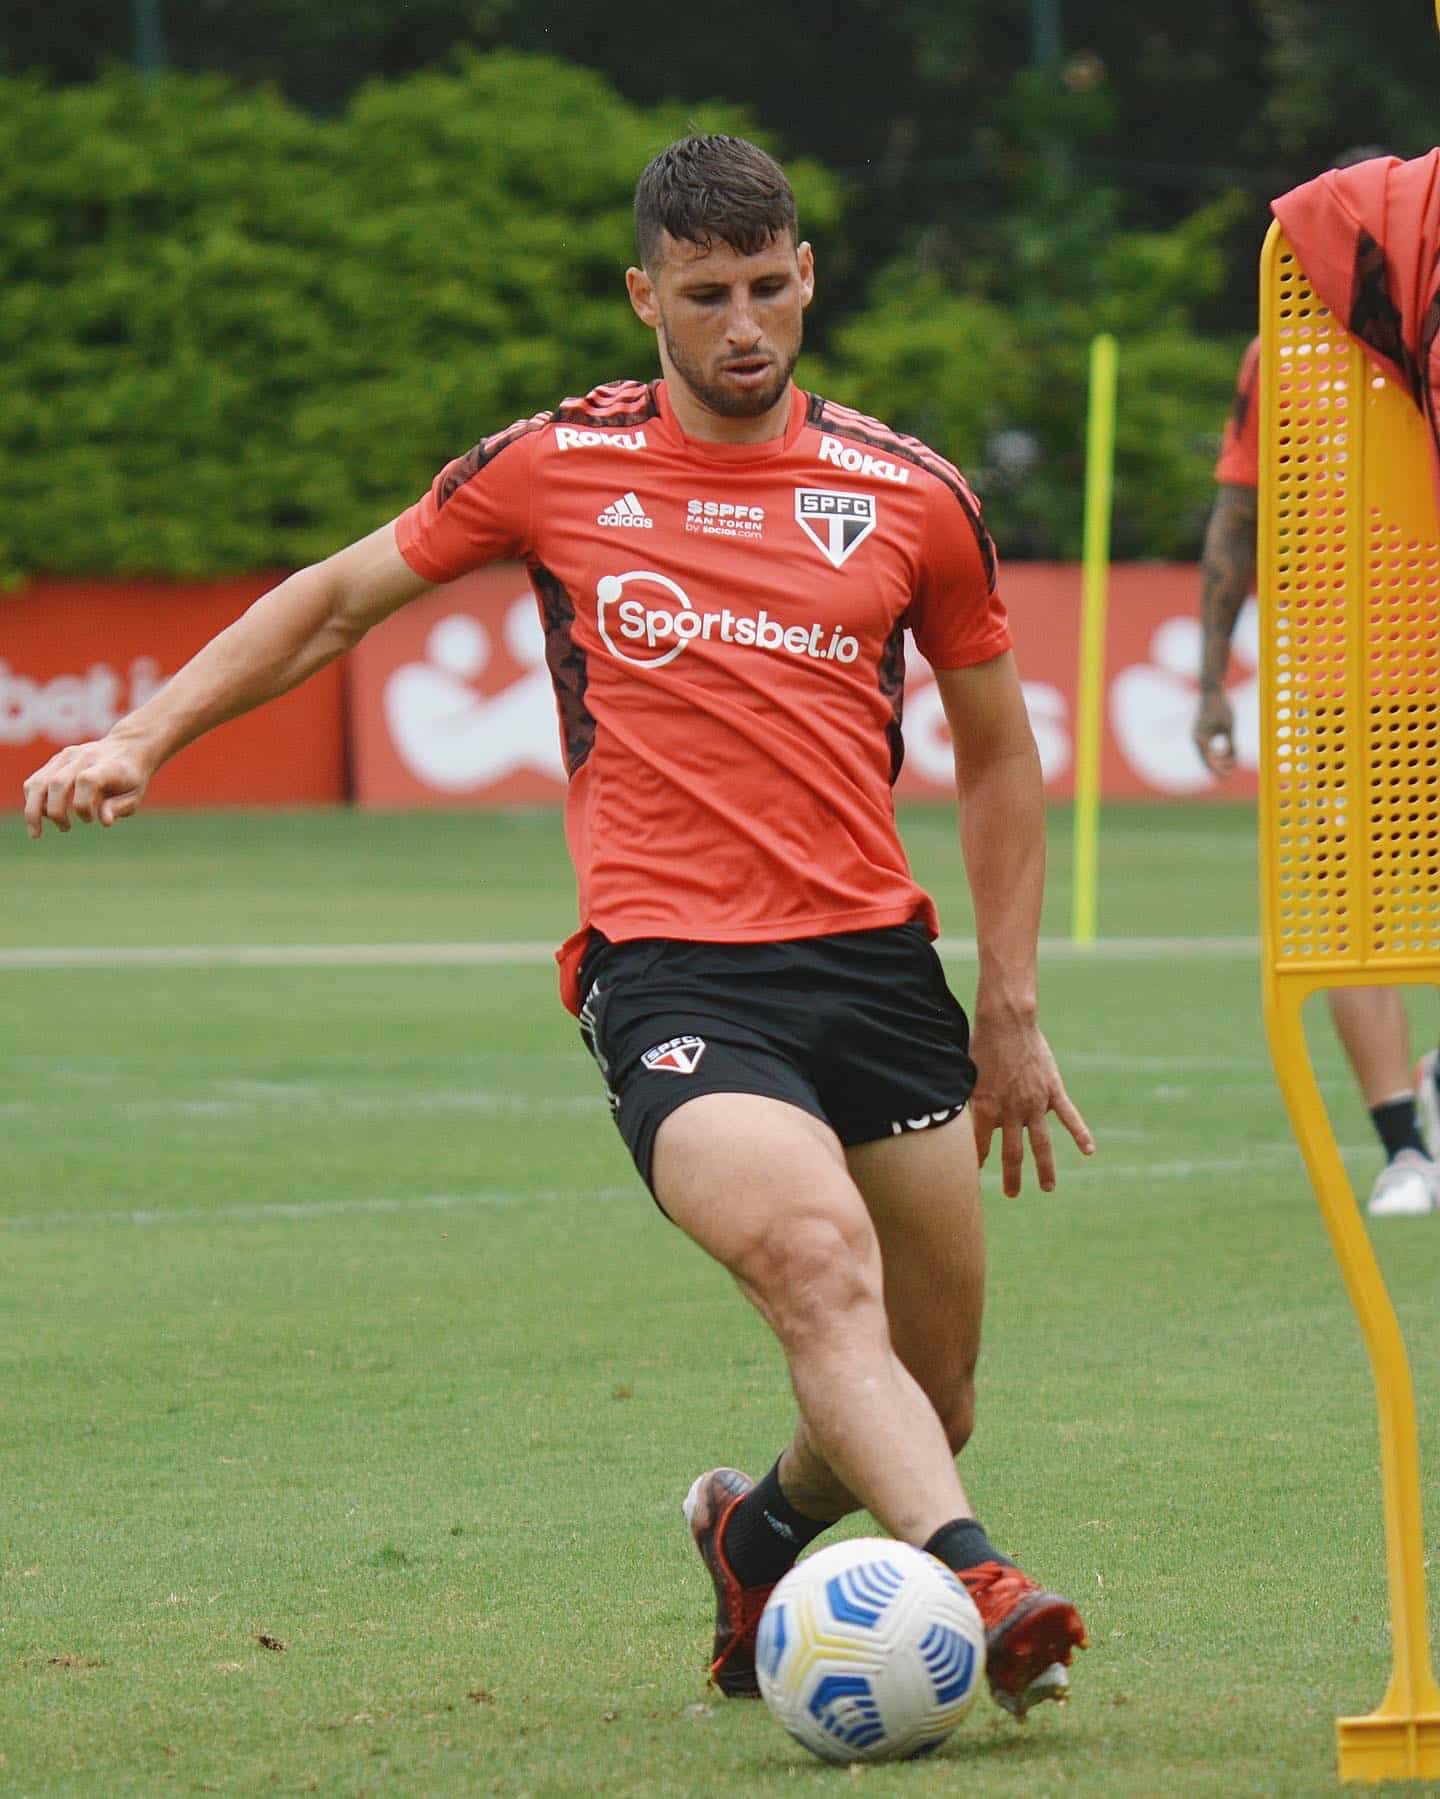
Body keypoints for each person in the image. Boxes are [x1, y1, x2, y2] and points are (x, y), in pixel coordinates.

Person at [22, 134, 1094, 1717]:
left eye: (770, 287)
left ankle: (761, 1530)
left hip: (877, 968)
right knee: (815, 1263)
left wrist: (1006, 1002)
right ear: (642, 295)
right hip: (671, 970)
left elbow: (1000, 752)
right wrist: (142, 734)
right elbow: (331, 596)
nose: (744, 325)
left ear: (807, 277)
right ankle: (979, 1577)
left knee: (934, 1383)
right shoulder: (553, 461)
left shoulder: (910, 492)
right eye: (706, 294)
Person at [1194, 315, 1440, 1219]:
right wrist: (1212, 675)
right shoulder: (1280, 354)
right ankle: (1406, 1147)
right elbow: (1241, 505)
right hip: (1342, 681)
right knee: (1346, 913)